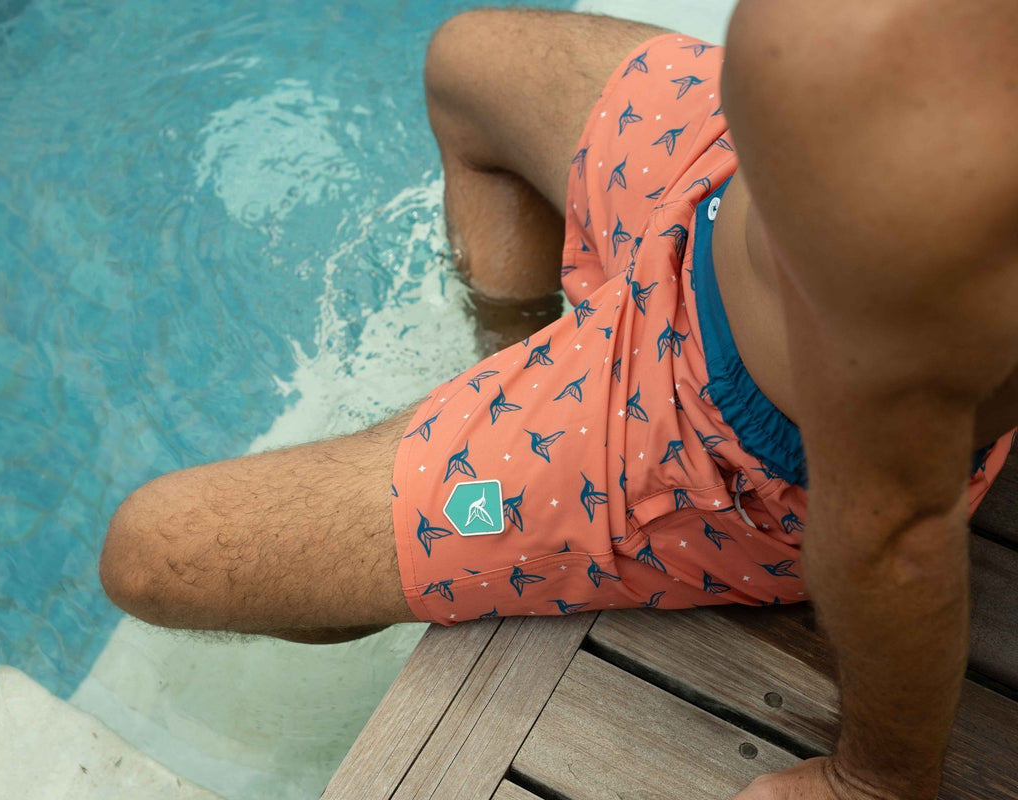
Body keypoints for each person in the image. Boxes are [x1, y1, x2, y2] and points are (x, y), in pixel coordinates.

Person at [96, 3, 1018, 799]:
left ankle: (498, 491)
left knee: (151, 553)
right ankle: (514, 363)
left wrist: (878, 777)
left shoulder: (936, 191)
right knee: (465, 63)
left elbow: (891, 532)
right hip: (727, 186)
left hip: (717, 440)